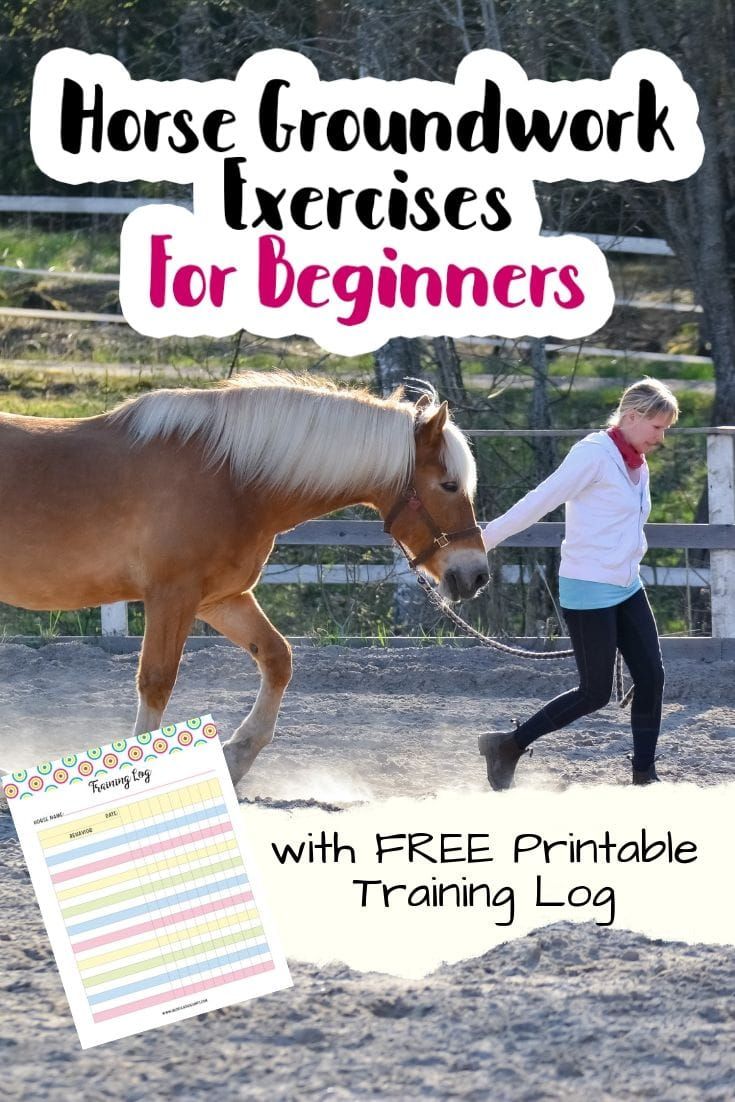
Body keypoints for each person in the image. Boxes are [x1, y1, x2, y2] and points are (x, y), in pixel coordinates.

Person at [479, 377, 679, 790]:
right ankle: (507, 746)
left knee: (652, 677)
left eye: (666, 429)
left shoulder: (635, 462)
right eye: (658, 427)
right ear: (631, 417)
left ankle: (644, 775)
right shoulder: (593, 455)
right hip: (588, 586)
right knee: (595, 693)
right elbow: (540, 500)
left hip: (627, 585)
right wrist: (482, 541)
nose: (661, 437)